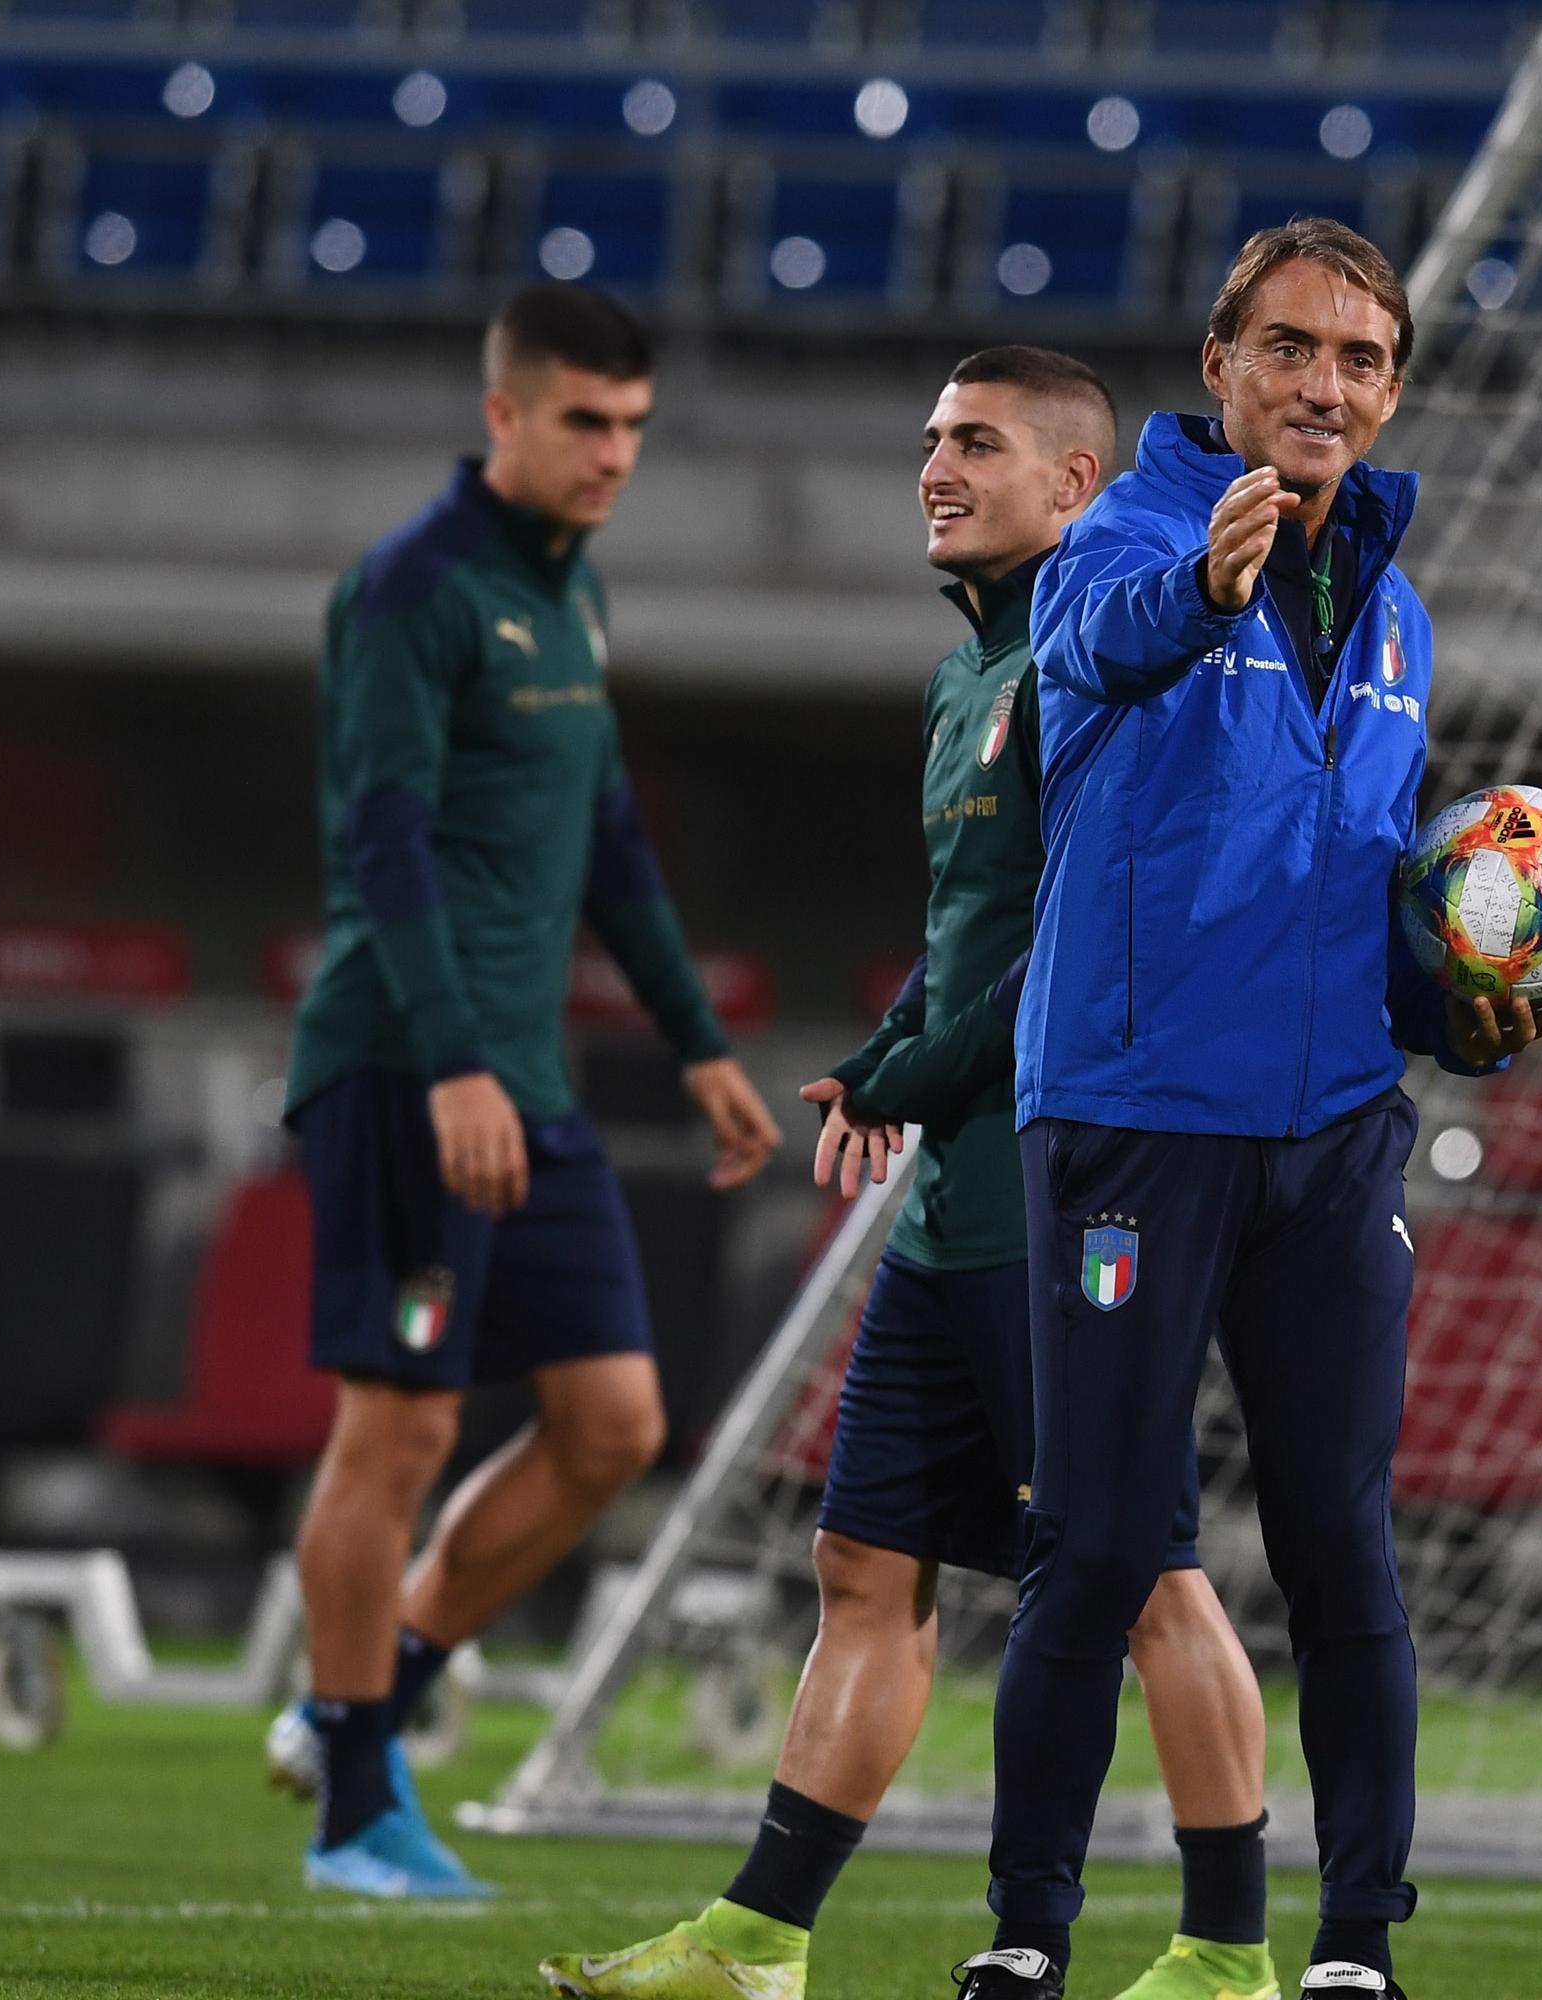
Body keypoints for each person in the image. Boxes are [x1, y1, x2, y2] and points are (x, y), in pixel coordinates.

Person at [542, 348, 1279, 2000]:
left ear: (1079, 485)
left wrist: (909, 1067)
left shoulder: (1127, 673)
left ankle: (1228, 1950)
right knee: (865, 1562)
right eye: (930, 441)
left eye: (977, 443)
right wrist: (895, 1056)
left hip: (1080, 1194)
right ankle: (757, 1941)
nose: (934, 468)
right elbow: (974, 945)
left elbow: (1082, 959)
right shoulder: (963, 687)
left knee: (1141, 1571)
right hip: (957, 1205)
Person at [948, 221, 1542, 2000]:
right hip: (1138, 1115)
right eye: (1290, 349)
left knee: (1341, 1539)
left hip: (1334, 1133)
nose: (1325, 386)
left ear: (1389, 391)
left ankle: (1357, 1946)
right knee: (1099, 1538)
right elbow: (1108, 646)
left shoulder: (1395, 609)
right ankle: (1028, 1939)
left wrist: (1468, 1005)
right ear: (1219, 368)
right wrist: (1206, 588)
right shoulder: (1119, 545)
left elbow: (1360, 882)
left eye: (1360, 360)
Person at [274, 282, 783, 1898]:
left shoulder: (575, 596)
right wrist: (457, 1070)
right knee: (403, 1426)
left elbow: (608, 839)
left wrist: (696, 1039)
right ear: (504, 414)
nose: (612, 454)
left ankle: (373, 1694)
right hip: (410, 1067)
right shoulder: (413, 591)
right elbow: (384, 846)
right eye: (584, 421)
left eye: (633, 427)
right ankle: (357, 1811)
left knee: (612, 1425)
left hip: (536, 1084)